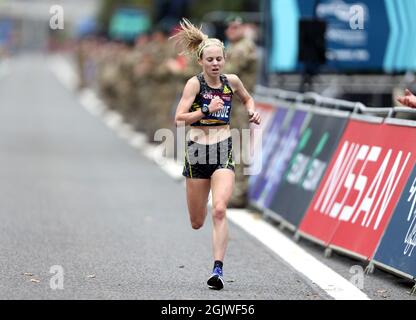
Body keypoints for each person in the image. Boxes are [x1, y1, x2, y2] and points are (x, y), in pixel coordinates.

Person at [171, 18, 261, 290]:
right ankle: (208, 243)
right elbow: (179, 118)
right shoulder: (194, 85)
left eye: (219, 59)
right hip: (197, 153)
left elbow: (247, 97)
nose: (215, 64)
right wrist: (205, 111)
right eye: (209, 59)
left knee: (220, 209)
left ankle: (217, 270)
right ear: (201, 61)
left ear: (225, 59)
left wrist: (251, 110)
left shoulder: (231, 81)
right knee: (197, 221)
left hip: (223, 148)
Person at [223, 14, 258, 208]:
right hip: (231, 104)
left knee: (239, 148)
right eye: (229, 27)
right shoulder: (234, 47)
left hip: (239, 105)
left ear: (244, 28)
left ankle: (239, 193)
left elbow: (226, 72)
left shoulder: (244, 47)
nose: (231, 30)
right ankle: (232, 190)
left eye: (236, 27)